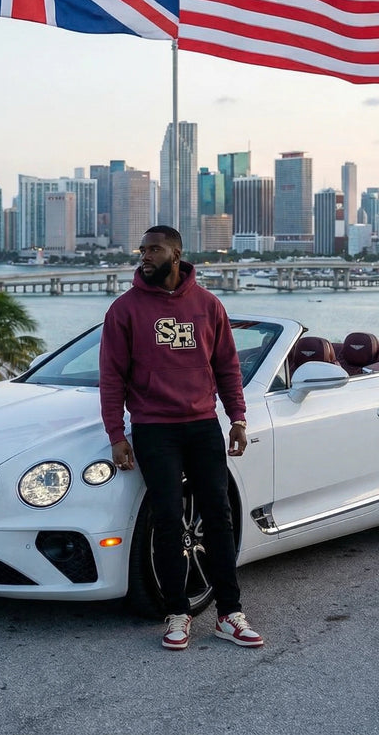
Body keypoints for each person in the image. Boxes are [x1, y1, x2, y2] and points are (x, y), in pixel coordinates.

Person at [99, 225, 263, 651]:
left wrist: (239, 419)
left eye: (154, 249)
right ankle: (177, 612)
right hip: (154, 429)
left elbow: (228, 367)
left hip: (203, 424)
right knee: (168, 520)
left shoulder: (208, 306)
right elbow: (111, 377)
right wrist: (116, 433)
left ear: (176, 253)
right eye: (142, 250)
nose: (145, 256)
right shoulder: (124, 310)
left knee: (219, 517)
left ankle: (229, 613)